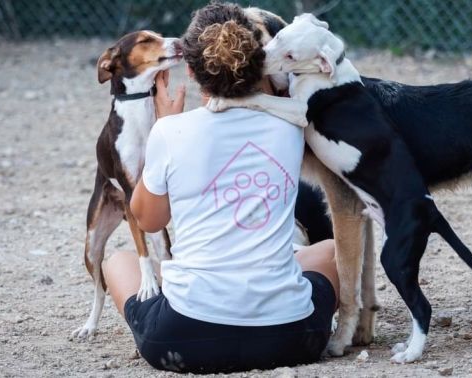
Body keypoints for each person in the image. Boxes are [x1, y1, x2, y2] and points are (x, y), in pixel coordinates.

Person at [101, 3, 339, 373]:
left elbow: (148, 220)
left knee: (117, 262)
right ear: (259, 64)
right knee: (329, 251)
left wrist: (165, 126)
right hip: (292, 338)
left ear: (192, 72)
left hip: (181, 339)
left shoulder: (170, 131)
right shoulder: (291, 124)